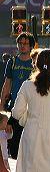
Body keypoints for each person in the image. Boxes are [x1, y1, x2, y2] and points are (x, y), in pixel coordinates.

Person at [1, 33, 34, 164]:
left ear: (31, 46)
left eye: (25, 43)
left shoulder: (35, 61)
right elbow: (7, 83)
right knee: (14, 147)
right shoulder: (12, 62)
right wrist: (2, 105)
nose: (22, 46)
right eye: (20, 43)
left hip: (31, 110)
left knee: (29, 146)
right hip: (15, 108)